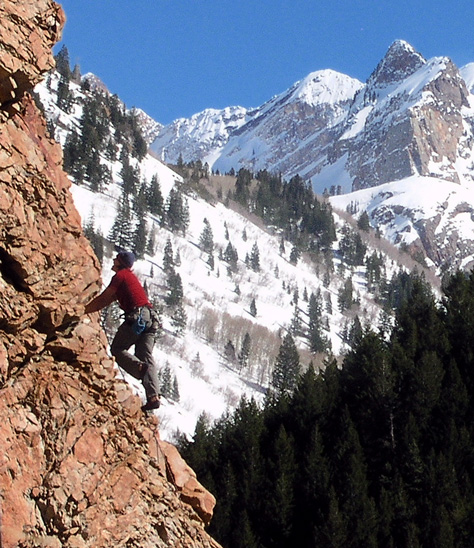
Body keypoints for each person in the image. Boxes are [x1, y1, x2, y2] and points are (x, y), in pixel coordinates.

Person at [84, 250, 161, 412]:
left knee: (117, 349)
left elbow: (104, 299)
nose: (113, 260)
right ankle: (153, 396)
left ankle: (139, 368)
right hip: (151, 319)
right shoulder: (130, 278)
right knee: (146, 356)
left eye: (116, 259)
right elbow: (111, 299)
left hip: (138, 317)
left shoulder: (121, 276)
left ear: (121, 262)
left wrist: (83, 310)